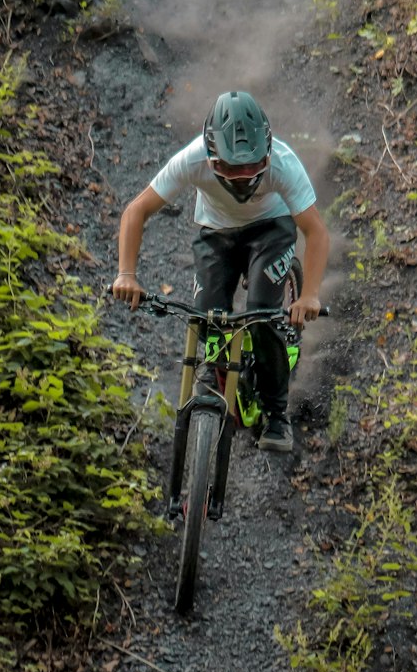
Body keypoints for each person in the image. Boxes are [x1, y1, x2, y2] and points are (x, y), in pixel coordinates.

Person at [112, 90, 329, 453]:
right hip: (216, 235)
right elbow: (136, 211)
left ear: (268, 151)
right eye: (231, 168)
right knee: (209, 315)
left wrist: (309, 296)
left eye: (252, 167)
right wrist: (126, 275)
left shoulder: (284, 163)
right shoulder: (191, 158)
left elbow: (316, 231)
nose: (243, 178)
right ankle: (209, 377)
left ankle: (277, 414)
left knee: (262, 315)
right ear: (211, 156)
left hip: (271, 230)